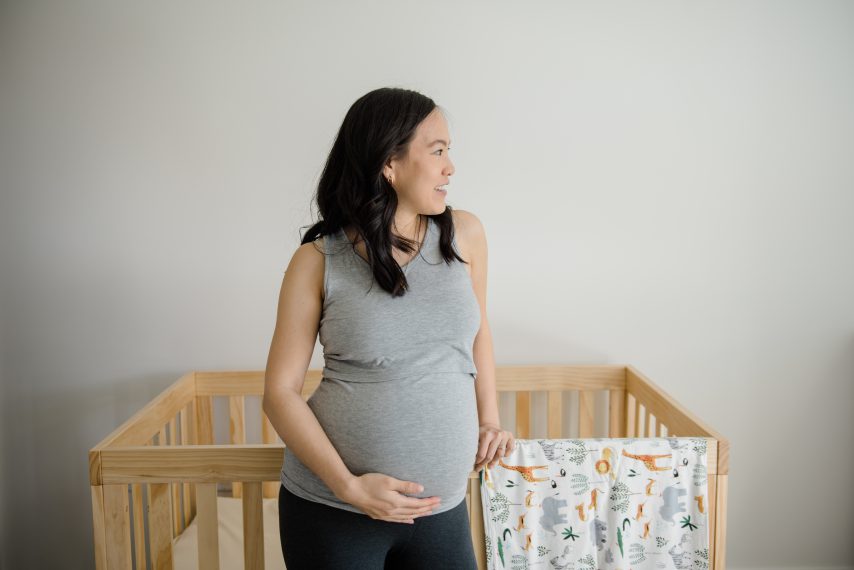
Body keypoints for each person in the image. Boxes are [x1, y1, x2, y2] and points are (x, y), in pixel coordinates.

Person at [262, 87, 516, 569]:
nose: (450, 167)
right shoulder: (317, 261)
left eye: (449, 152)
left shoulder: (465, 234)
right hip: (334, 511)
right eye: (437, 151)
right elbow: (280, 392)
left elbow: (477, 335)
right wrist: (349, 486)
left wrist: (489, 419)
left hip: (440, 510)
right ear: (389, 163)